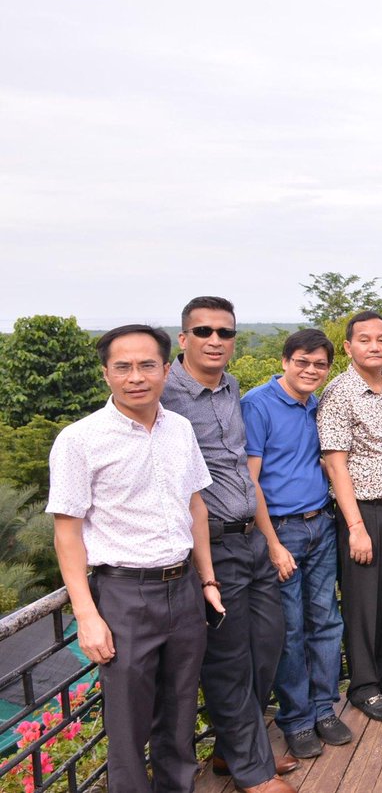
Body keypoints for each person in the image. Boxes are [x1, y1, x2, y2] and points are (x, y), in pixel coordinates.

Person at [47, 324, 223, 793]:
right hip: (123, 594)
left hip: (184, 588)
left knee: (180, 714)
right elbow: (67, 532)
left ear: (167, 369)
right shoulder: (79, 439)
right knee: (127, 729)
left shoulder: (180, 428)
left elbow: (195, 507)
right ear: (106, 373)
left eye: (147, 365)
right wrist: (86, 614)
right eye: (122, 366)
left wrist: (207, 581)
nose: (136, 377)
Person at [160, 296, 294, 793]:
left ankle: (234, 750)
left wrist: (269, 539)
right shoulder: (164, 393)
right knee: (229, 657)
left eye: (225, 332)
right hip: (211, 545)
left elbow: (240, 466)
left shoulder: (230, 387)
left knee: (267, 647)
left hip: (252, 536)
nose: (215, 340)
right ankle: (252, 772)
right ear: (184, 338)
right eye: (204, 331)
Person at [242, 329, 351, 760]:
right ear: (285, 360)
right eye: (302, 362)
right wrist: (271, 543)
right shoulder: (258, 405)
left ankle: (324, 708)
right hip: (281, 532)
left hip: (320, 524)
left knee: (326, 621)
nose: (311, 371)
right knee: (289, 631)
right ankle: (297, 719)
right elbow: (250, 482)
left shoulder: (314, 406)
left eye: (319, 365)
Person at [316, 311, 382, 724]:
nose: (374, 346)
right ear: (348, 347)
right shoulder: (339, 393)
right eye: (364, 339)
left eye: (381, 339)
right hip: (364, 512)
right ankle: (363, 686)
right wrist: (356, 527)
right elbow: (335, 464)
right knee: (363, 603)